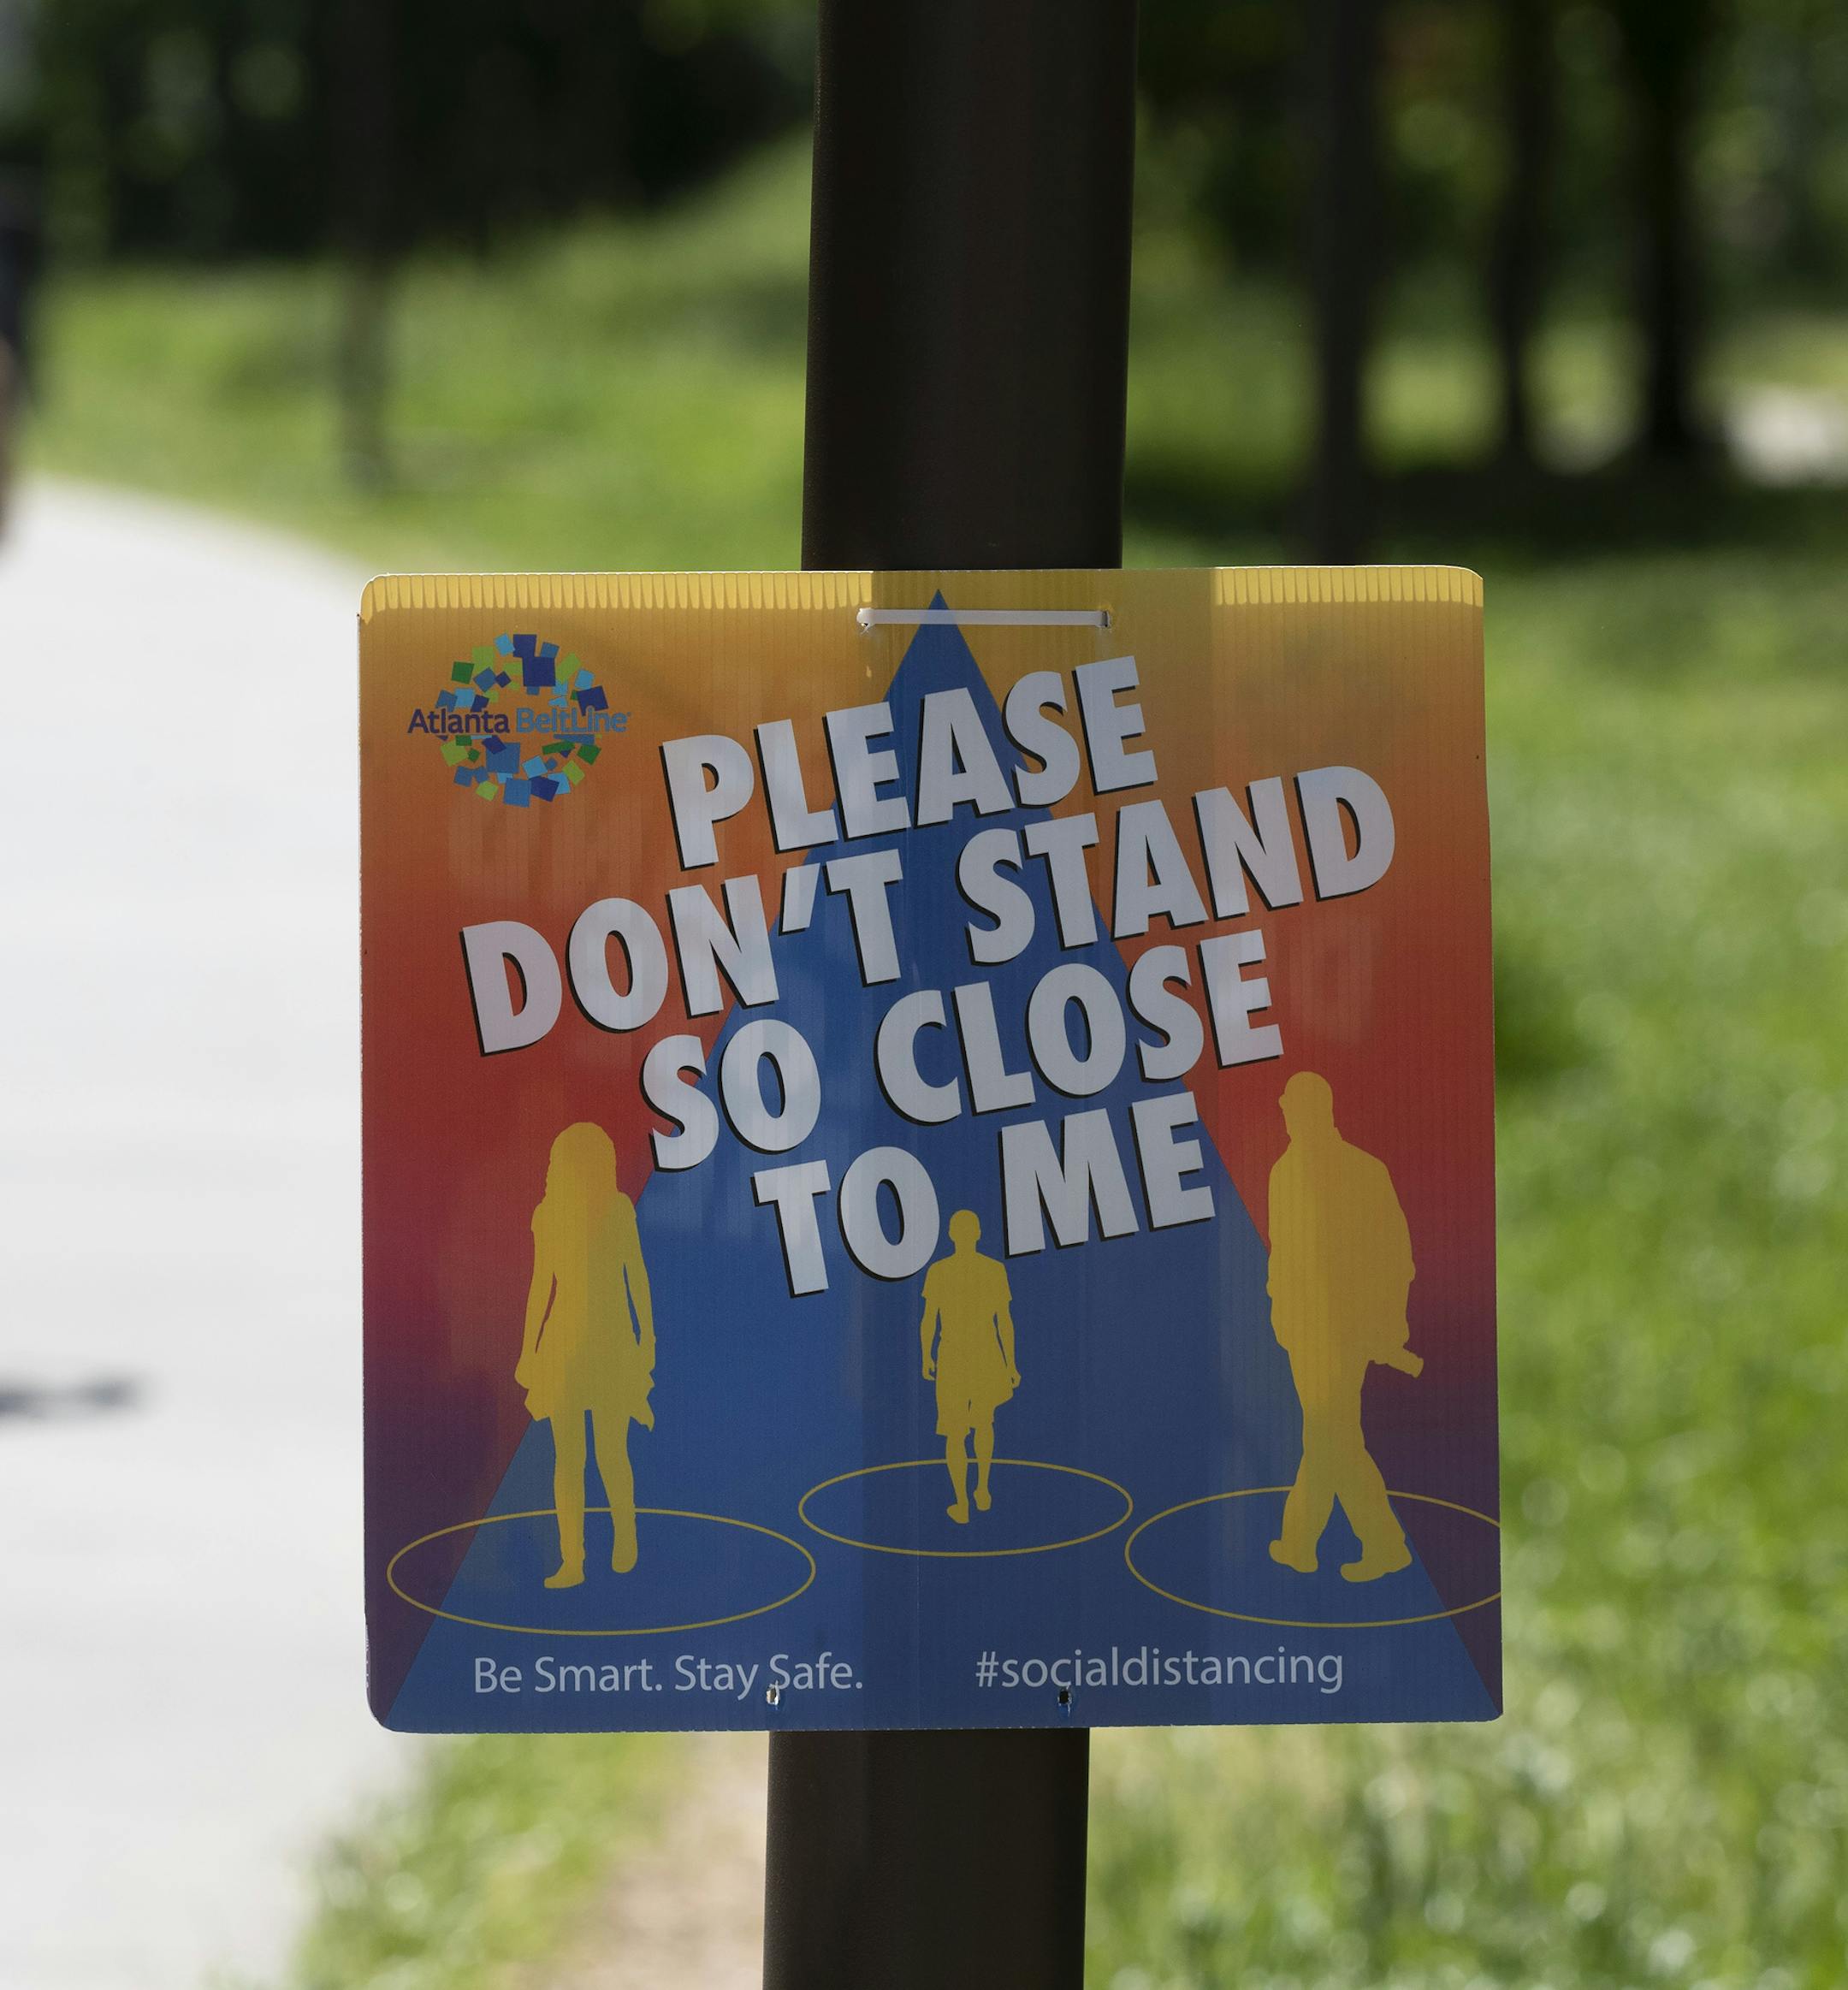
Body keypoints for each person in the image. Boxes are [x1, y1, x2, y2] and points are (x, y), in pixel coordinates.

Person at [1265, 1071, 1421, 1583]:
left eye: (1292, 1106)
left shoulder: (1362, 1171)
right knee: (1330, 1435)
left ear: (1314, 1110)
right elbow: (1282, 1256)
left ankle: (1372, 1543)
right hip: (1303, 1332)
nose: (1285, 1113)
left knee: (1331, 1435)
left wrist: (1387, 1323)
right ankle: (1304, 1545)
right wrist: (1282, 1313)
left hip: (1346, 1331)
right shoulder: (1284, 1172)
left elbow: (1396, 1255)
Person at [516, 1122, 654, 1587]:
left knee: (611, 1452)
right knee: (569, 1458)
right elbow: (541, 1286)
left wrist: (647, 1339)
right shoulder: (548, 1215)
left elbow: (636, 1276)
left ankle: (626, 1538)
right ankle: (572, 1560)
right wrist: (529, 1349)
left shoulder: (617, 1211)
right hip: (564, 1346)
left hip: (612, 1342)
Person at [920, 1210, 1019, 1525]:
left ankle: (964, 1500)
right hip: (978, 1355)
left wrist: (926, 1355)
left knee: (957, 1432)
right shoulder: (991, 1270)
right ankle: (980, 1489)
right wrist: (1011, 1363)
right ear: (976, 1233)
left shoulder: (942, 1271)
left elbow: (929, 1321)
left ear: (952, 1234)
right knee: (982, 1424)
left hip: (958, 1356)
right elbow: (1004, 1321)